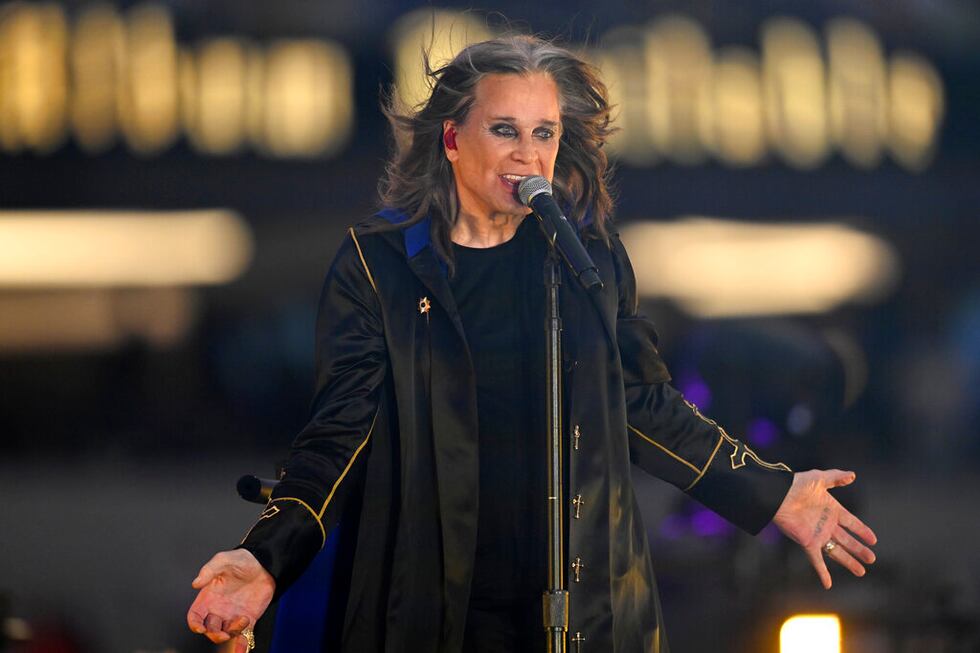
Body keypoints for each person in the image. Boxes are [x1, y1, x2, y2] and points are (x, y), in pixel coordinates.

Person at [187, 35, 877, 653]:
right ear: (453, 140)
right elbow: (338, 439)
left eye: (544, 132)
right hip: (434, 610)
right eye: (505, 129)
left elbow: (644, 404)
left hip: (587, 611)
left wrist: (773, 492)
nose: (529, 152)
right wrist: (265, 556)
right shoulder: (380, 266)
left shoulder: (585, 258)